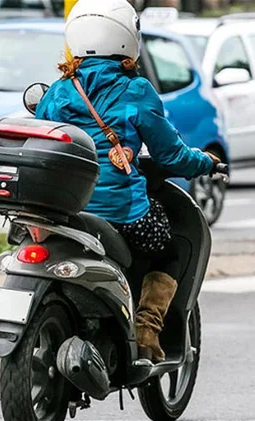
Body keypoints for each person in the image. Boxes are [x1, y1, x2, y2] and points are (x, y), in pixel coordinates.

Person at [34, 0, 219, 363]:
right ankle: (147, 328)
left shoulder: (57, 91)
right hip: (120, 212)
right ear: (127, 38)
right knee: (172, 249)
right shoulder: (135, 91)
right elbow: (171, 155)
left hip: (64, 210)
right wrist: (204, 162)